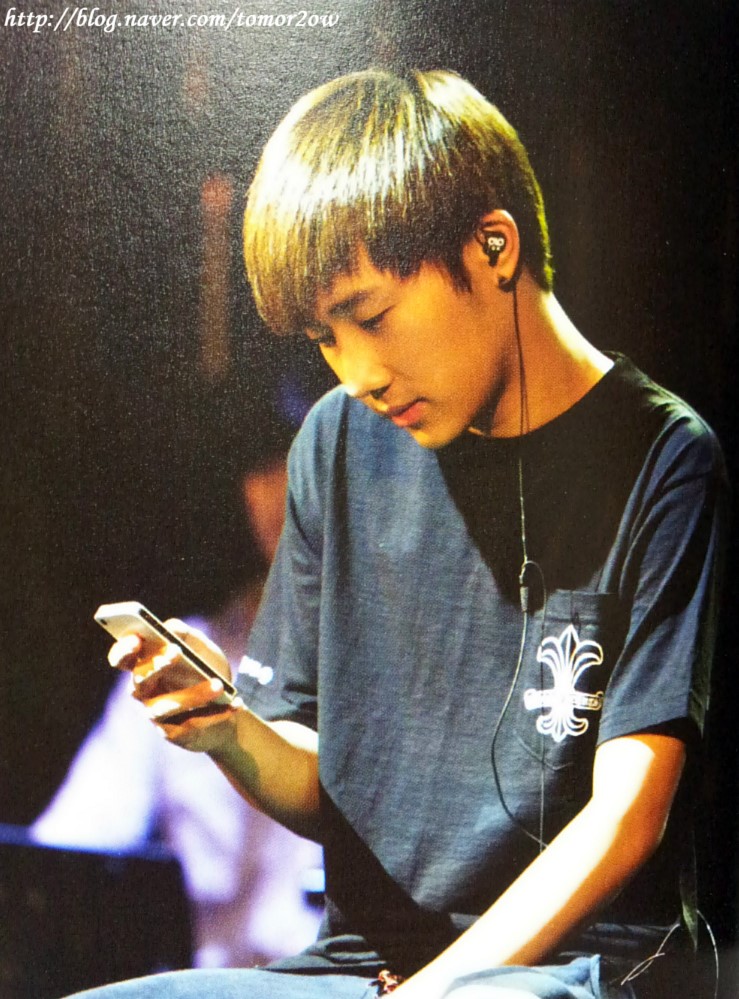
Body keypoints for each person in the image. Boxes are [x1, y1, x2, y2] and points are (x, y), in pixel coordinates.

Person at [71, 69, 727, 999]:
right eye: (325, 338)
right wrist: (226, 728)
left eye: (370, 317)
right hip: (364, 966)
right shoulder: (335, 441)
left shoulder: (663, 458)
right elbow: (325, 785)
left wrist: (436, 988)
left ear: (492, 246)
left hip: (577, 968)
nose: (357, 372)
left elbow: (625, 817)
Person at [33, 447, 323, 969]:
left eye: (303, 456)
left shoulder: (395, 654)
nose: (279, 489)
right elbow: (70, 846)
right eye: (263, 466)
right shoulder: (176, 662)